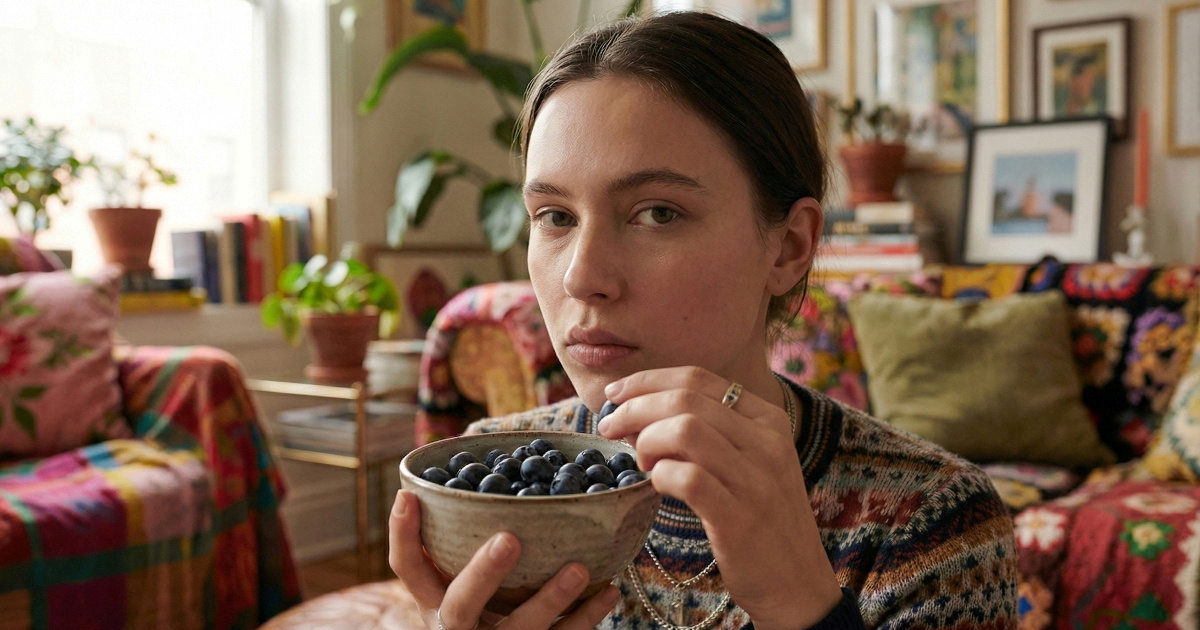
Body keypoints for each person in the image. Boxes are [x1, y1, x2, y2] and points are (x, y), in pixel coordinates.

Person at [389, 10, 1018, 630]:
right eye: (555, 216)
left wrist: (805, 610)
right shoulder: (486, 484)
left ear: (789, 247)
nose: (581, 277)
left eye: (657, 213)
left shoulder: (934, 525)